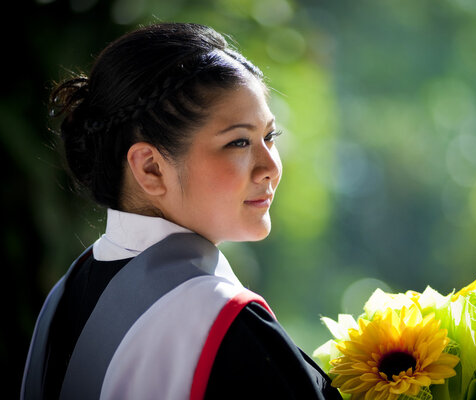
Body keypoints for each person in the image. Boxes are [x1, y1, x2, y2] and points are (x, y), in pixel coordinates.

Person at [21, 22, 342, 400]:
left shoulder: (65, 297)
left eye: (270, 136)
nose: (270, 165)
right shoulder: (220, 320)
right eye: (238, 142)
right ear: (150, 168)